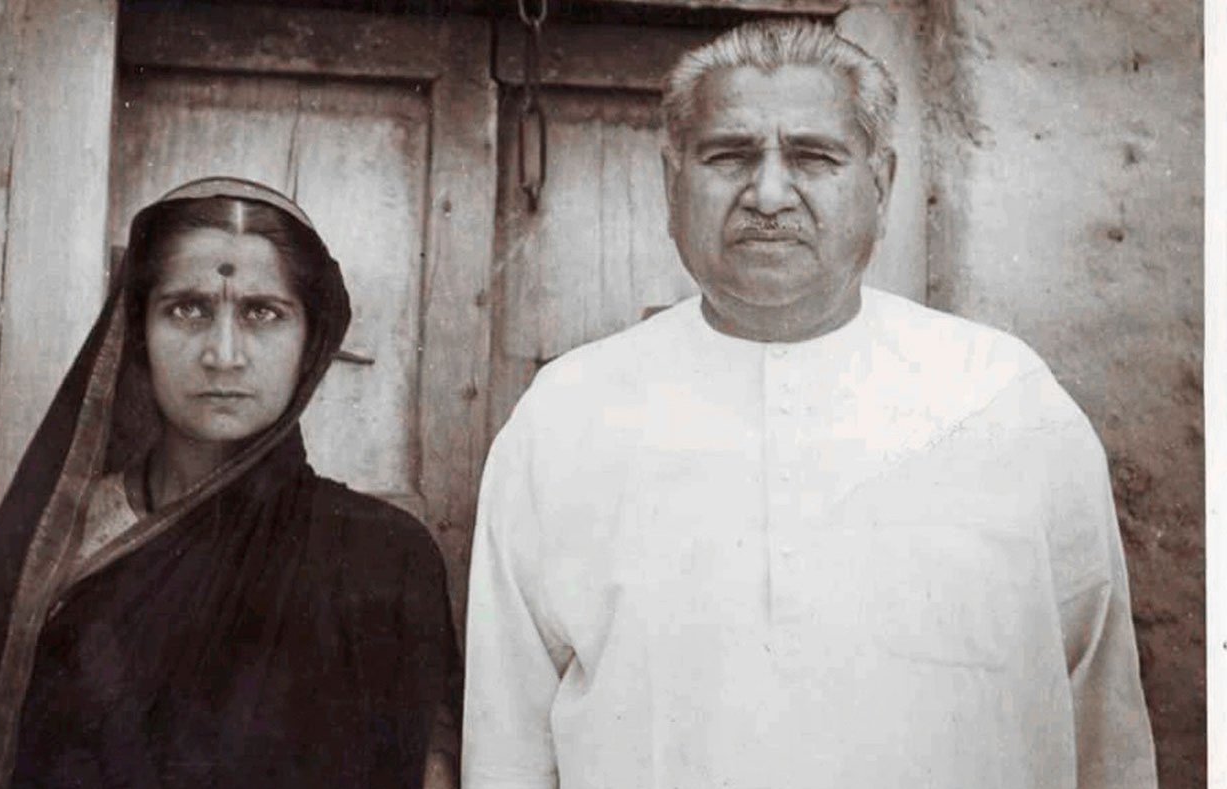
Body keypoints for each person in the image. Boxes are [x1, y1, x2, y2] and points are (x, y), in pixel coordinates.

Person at [463, 20, 1156, 789]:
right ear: (670, 185)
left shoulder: (1007, 403)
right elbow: (507, 746)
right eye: (727, 156)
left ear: (881, 184)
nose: (766, 193)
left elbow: (1106, 734)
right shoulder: (564, 419)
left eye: (813, 156)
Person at [0, 177, 460, 788]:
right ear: (137, 336)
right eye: (187, 309)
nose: (223, 354)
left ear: (310, 343)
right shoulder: (59, 544)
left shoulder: (383, 558)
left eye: (262, 313)